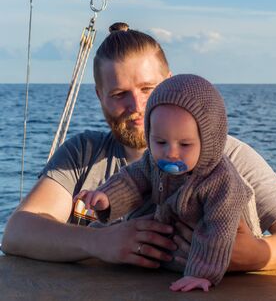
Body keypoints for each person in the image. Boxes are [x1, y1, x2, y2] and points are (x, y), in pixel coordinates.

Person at [2, 23, 276, 273]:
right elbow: (17, 233)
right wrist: (99, 241)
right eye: (119, 94)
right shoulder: (82, 154)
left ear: (171, 83)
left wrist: (258, 254)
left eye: (148, 89)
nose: (137, 107)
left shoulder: (228, 156)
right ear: (99, 95)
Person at [76, 74, 262, 292]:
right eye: (160, 141)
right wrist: (106, 196)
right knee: (113, 226)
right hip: (167, 241)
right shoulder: (153, 162)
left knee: (212, 236)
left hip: (210, 256)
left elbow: (218, 229)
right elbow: (131, 180)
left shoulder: (221, 181)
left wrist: (202, 274)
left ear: (208, 141)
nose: (171, 153)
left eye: (185, 144)